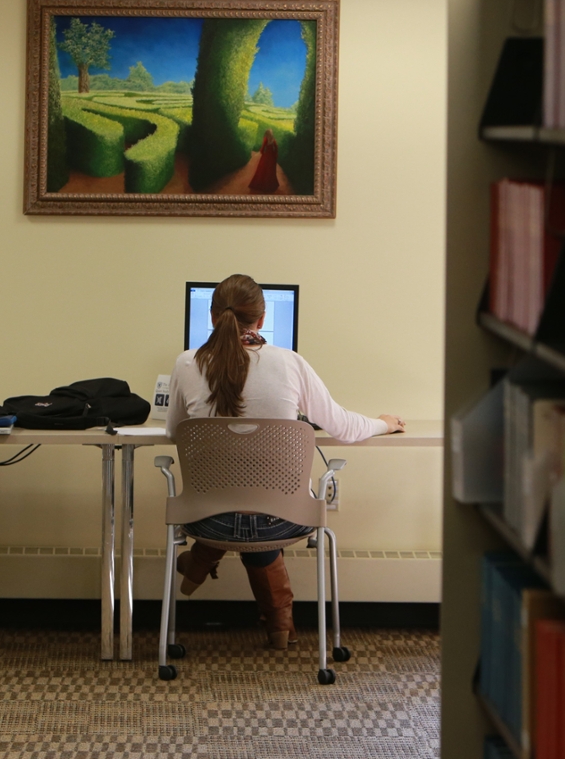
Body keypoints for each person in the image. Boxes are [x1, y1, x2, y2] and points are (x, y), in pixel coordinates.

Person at [165, 274, 404, 650]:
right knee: (261, 503)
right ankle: (279, 624)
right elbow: (342, 427)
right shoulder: (290, 363)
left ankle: (199, 563)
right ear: (261, 320)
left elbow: (176, 431)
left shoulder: (185, 364)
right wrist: (384, 424)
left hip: (207, 516)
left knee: (238, 504)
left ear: (213, 317)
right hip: (284, 519)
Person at [248, 129, 279, 194]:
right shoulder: (274, 141)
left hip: (266, 157)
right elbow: (275, 150)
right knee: (269, 171)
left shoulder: (266, 140)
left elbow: (262, 149)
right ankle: (268, 187)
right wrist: (274, 157)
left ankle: (260, 185)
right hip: (271, 158)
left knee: (262, 170)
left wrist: (262, 152)